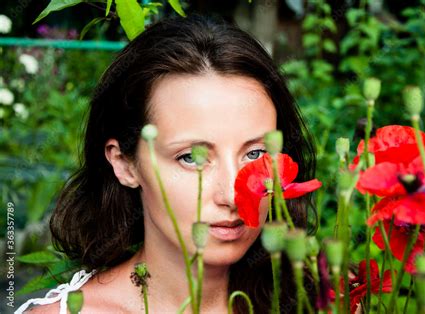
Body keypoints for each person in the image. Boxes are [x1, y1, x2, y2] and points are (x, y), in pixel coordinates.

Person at [16, 14, 318, 313]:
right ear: (124, 164)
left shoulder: (321, 302)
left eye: (255, 154)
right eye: (191, 158)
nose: (231, 195)